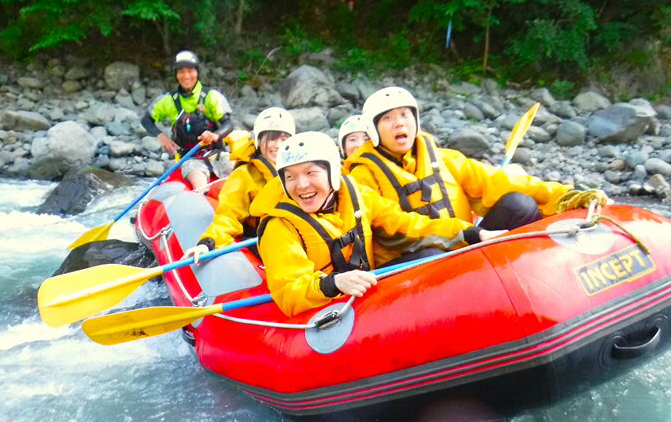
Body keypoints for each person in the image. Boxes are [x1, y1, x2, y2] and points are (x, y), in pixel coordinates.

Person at [252, 132, 499, 317]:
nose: (301, 185)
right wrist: (334, 283)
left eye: (310, 173)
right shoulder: (278, 226)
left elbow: (407, 225)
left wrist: (470, 232)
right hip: (325, 306)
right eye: (291, 177)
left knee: (431, 256)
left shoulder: (357, 195)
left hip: (365, 291)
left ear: (332, 172)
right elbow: (289, 291)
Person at [344, 86, 585, 262]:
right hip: (411, 263)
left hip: (467, 243)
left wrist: (566, 197)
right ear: (373, 130)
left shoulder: (445, 158)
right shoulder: (362, 177)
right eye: (388, 118)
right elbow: (394, 227)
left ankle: (530, 272)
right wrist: (466, 233)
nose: (399, 123)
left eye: (405, 115)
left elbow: (498, 181)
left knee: (518, 204)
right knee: (433, 255)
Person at [184, 107, 296, 263]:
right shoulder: (244, 174)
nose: (278, 145)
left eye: (284, 139)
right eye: (272, 138)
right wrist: (208, 243)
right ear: (259, 141)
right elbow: (228, 216)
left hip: (295, 238)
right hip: (263, 240)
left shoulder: (299, 170)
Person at [142, 50, 233, 189]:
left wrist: (215, 135)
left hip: (216, 153)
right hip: (190, 158)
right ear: (176, 74)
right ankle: (203, 195)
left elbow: (229, 123)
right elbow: (146, 120)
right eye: (181, 72)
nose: (186, 76)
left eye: (190, 71)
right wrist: (161, 136)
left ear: (197, 72)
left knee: (239, 175)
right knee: (200, 183)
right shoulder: (168, 101)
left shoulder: (211, 97)